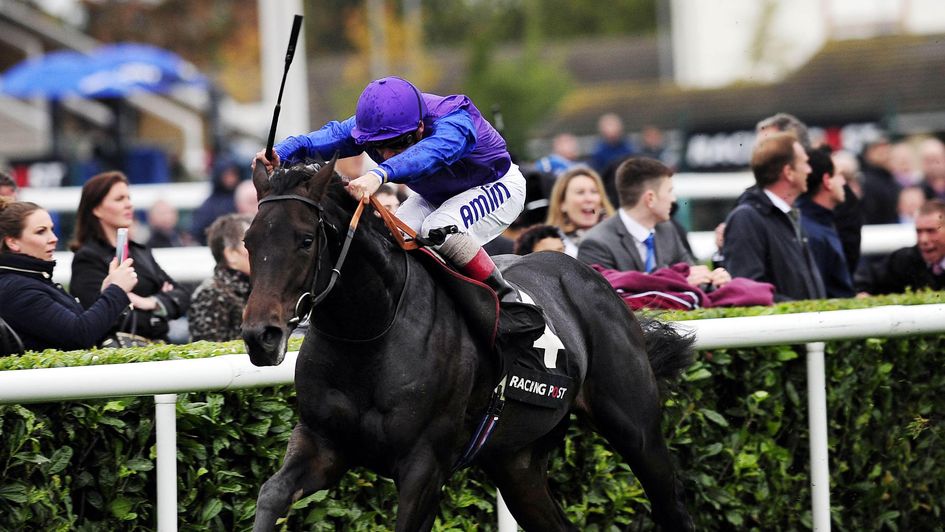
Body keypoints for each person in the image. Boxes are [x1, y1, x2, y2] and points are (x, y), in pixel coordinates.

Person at [254, 76, 528, 303]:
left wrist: (379, 174)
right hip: (436, 197)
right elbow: (328, 137)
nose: (386, 153)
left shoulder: (455, 121)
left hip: (497, 185)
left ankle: (507, 301)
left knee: (439, 228)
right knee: (390, 242)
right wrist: (281, 152)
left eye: (397, 143)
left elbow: (432, 153)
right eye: (377, 146)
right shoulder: (377, 127)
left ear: (420, 127)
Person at [0, 197, 138, 352]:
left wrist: (108, 292)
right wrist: (116, 290)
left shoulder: (32, 278)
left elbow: (85, 330)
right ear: (12, 242)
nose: (53, 239)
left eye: (51, 229)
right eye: (41, 232)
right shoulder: (17, 289)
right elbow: (79, 335)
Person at [70, 171, 190, 343]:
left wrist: (148, 302)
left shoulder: (141, 251)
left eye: (128, 198)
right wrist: (159, 317)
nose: (129, 205)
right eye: (119, 199)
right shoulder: (87, 259)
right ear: (96, 209)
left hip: (159, 348)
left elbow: (182, 295)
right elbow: (100, 316)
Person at [578, 157, 730, 289]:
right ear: (650, 198)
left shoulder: (667, 230)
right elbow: (606, 303)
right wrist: (677, 283)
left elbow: (694, 278)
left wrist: (714, 281)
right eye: (669, 191)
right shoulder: (595, 244)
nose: (673, 199)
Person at [722, 132, 825, 302]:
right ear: (788, 172)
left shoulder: (790, 215)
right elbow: (748, 292)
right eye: (805, 163)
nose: (809, 170)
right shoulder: (746, 219)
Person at [797, 146, 855, 298]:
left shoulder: (816, 224)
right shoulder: (811, 232)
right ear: (827, 181)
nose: (843, 182)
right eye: (839, 175)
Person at [855, 200, 945, 294]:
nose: (923, 239)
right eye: (918, 231)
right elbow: (865, 280)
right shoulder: (904, 260)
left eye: (931, 231)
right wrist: (862, 292)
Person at [189, 214, 253, 342]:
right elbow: (206, 353)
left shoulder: (262, 291)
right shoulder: (210, 294)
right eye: (252, 243)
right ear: (231, 254)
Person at [545, 166, 615, 257]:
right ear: (562, 203)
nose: (589, 199)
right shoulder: (548, 247)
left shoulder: (620, 237)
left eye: (594, 192)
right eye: (580, 192)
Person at [191, 155, 241, 245]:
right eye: (227, 175)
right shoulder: (209, 206)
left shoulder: (242, 197)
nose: (231, 179)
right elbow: (198, 232)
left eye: (233, 174)